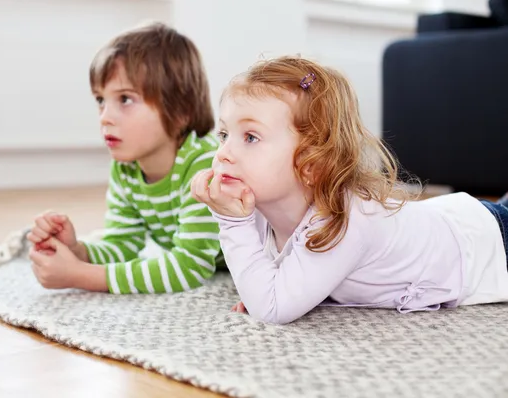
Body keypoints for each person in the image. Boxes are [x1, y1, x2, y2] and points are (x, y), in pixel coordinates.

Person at [192, 56, 508, 324]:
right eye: (223, 134)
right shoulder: (260, 206)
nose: (223, 152)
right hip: (449, 223)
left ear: (311, 163)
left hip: (489, 247)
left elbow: (272, 308)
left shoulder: (343, 220)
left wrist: (233, 223)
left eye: (250, 137)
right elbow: (276, 281)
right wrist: (260, 284)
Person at [27, 22, 223, 294]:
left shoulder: (206, 166)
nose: (105, 116)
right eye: (100, 100)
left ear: (180, 111)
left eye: (125, 99)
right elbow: (122, 244)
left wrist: (79, 275)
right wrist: (77, 250)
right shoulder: (126, 169)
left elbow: (190, 268)